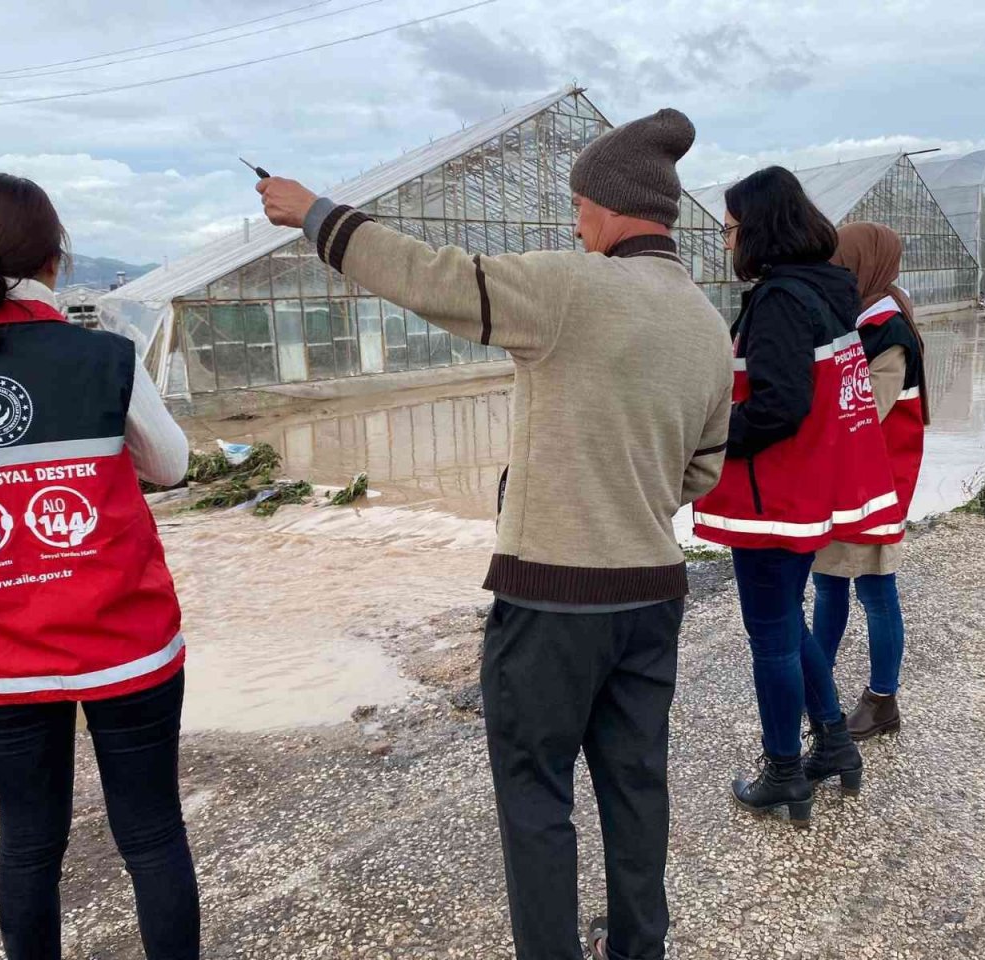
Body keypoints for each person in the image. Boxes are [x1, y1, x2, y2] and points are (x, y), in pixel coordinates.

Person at [258, 108, 733, 960]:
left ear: (611, 206)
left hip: (554, 600)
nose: (576, 224)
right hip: (654, 595)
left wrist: (315, 214)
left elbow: (430, 276)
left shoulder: (566, 288)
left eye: (579, 206)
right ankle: (639, 948)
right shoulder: (704, 320)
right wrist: (627, 494)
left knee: (535, 793)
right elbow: (703, 470)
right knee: (636, 785)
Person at [0, 174, 200, 960]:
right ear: (56, 256)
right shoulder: (104, 356)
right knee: (151, 833)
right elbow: (172, 465)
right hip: (128, 647)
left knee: (28, 842)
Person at [692, 167, 902, 826]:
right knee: (787, 619)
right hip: (806, 494)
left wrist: (708, 437)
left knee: (772, 638)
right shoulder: (828, 289)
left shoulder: (781, 299)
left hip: (773, 501)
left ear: (759, 228)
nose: (728, 241)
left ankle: (784, 770)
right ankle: (834, 742)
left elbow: (781, 405)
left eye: (731, 229)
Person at [811, 223, 929, 740]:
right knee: (827, 584)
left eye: (840, 264)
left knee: (877, 592)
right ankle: (819, 684)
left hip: (874, 486)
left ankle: (882, 700)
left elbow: (865, 412)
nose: (833, 273)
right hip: (842, 480)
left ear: (863, 265)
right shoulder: (856, 320)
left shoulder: (888, 331)